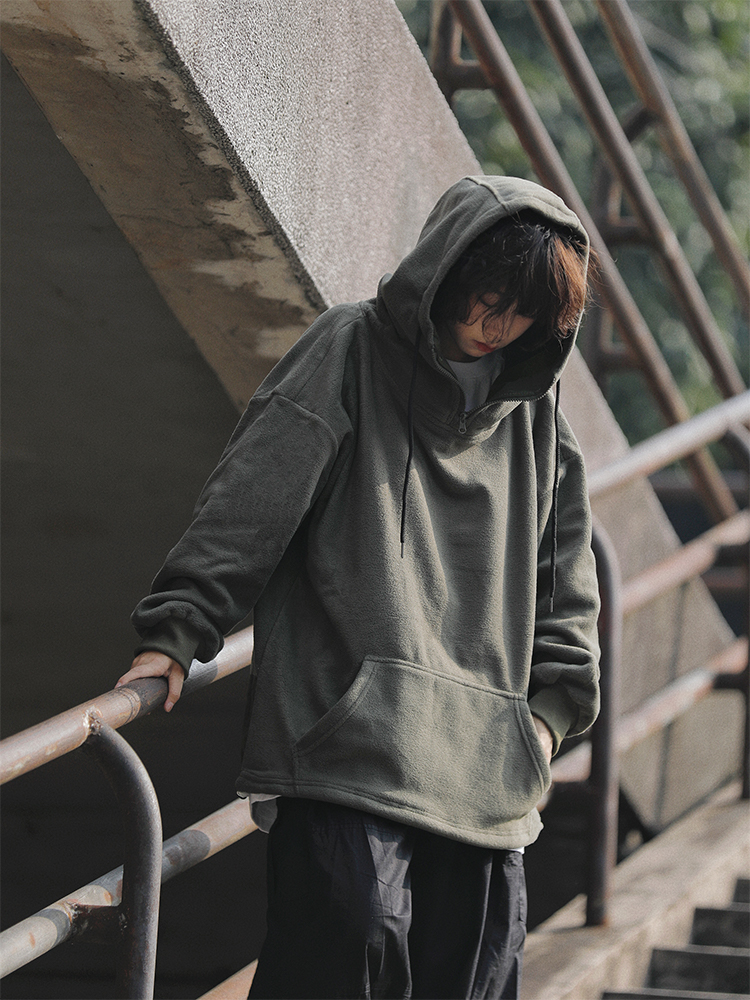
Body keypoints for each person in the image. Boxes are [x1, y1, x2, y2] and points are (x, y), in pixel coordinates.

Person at [116, 175, 600, 1000]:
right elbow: (254, 497)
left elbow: (570, 587)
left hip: (488, 769)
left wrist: (549, 718)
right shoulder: (351, 348)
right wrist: (178, 628)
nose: (498, 326)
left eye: (524, 313)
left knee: (474, 977)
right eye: (489, 298)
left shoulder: (538, 418)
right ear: (447, 270)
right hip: (347, 744)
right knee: (345, 946)